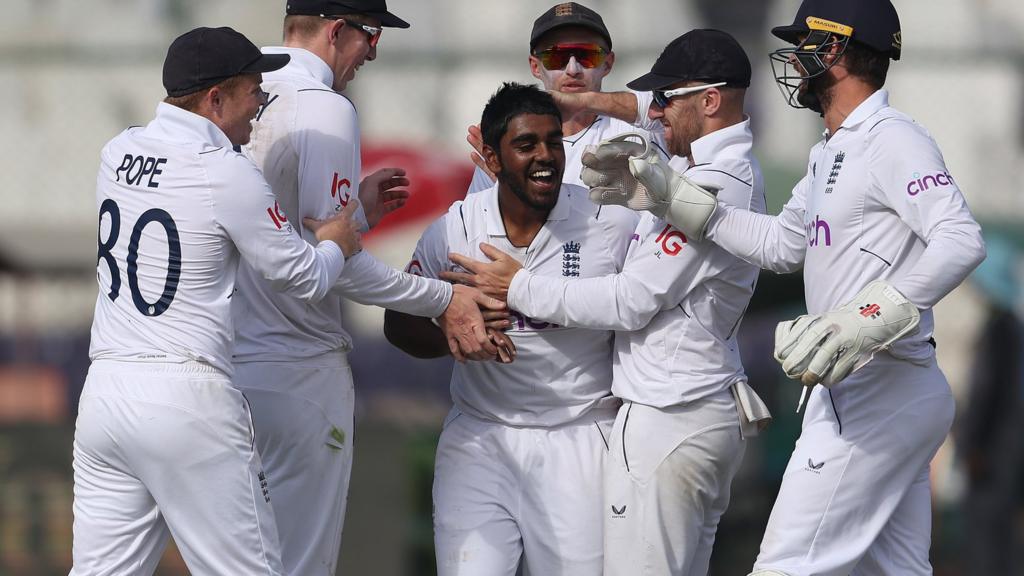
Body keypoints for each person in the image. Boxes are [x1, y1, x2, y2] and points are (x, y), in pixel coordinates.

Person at [584, 1, 987, 574]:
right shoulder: (829, 150)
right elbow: (783, 245)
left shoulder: (892, 140)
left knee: (783, 567)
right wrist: (669, 196)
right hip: (859, 390)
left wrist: (869, 314)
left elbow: (960, 240)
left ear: (836, 52)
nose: (794, 60)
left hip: (882, 386)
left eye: (805, 45)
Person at [443, 30, 770, 576]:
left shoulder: (713, 181)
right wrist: (587, 99)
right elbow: (645, 108)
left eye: (668, 99)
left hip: (671, 414)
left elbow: (633, 300)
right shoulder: (705, 165)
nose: (655, 112)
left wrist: (518, 286)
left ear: (710, 101)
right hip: (694, 407)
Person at [71, 27, 363, 574]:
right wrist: (336, 244)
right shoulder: (224, 169)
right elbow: (302, 277)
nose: (261, 103)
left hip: (104, 396)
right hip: (187, 398)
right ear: (215, 99)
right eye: (254, 89)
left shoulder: (118, 151)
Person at [232, 1, 503, 573]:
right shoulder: (326, 106)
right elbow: (336, 268)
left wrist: (358, 217)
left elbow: (281, 236)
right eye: (371, 34)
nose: (373, 51)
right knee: (298, 562)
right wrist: (444, 297)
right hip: (298, 371)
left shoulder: (230, 88)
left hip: (220, 370)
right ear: (337, 30)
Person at [384, 82, 638, 575]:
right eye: (526, 145)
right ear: (492, 160)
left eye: (553, 142)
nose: (545, 157)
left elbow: (645, 306)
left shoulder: (608, 221)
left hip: (581, 438)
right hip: (480, 438)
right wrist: (455, 334)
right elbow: (399, 325)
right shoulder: (455, 229)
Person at [464, 1, 683, 195]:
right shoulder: (509, 146)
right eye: (555, 56)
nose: (572, 69)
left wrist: (584, 101)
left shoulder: (641, 130)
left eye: (587, 56)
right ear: (535, 66)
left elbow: (671, 107)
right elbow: (479, 230)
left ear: (607, 63)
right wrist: (513, 194)